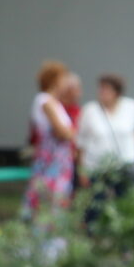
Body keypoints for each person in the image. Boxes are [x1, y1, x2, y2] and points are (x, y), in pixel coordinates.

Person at [77, 73, 134, 201]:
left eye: (106, 89)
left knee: (127, 202)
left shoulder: (130, 106)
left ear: (117, 92)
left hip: (125, 165)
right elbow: (81, 141)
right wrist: (82, 171)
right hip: (97, 167)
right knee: (96, 204)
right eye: (101, 88)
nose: (102, 92)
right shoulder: (90, 110)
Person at [25, 59, 79, 217]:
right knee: (48, 198)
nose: (66, 83)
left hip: (61, 160)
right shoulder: (44, 101)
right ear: (55, 80)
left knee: (58, 200)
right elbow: (63, 132)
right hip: (51, 159)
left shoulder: (56, 103)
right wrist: (72, 132)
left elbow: (67, 132)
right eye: (64, 78)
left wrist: (70, 132)